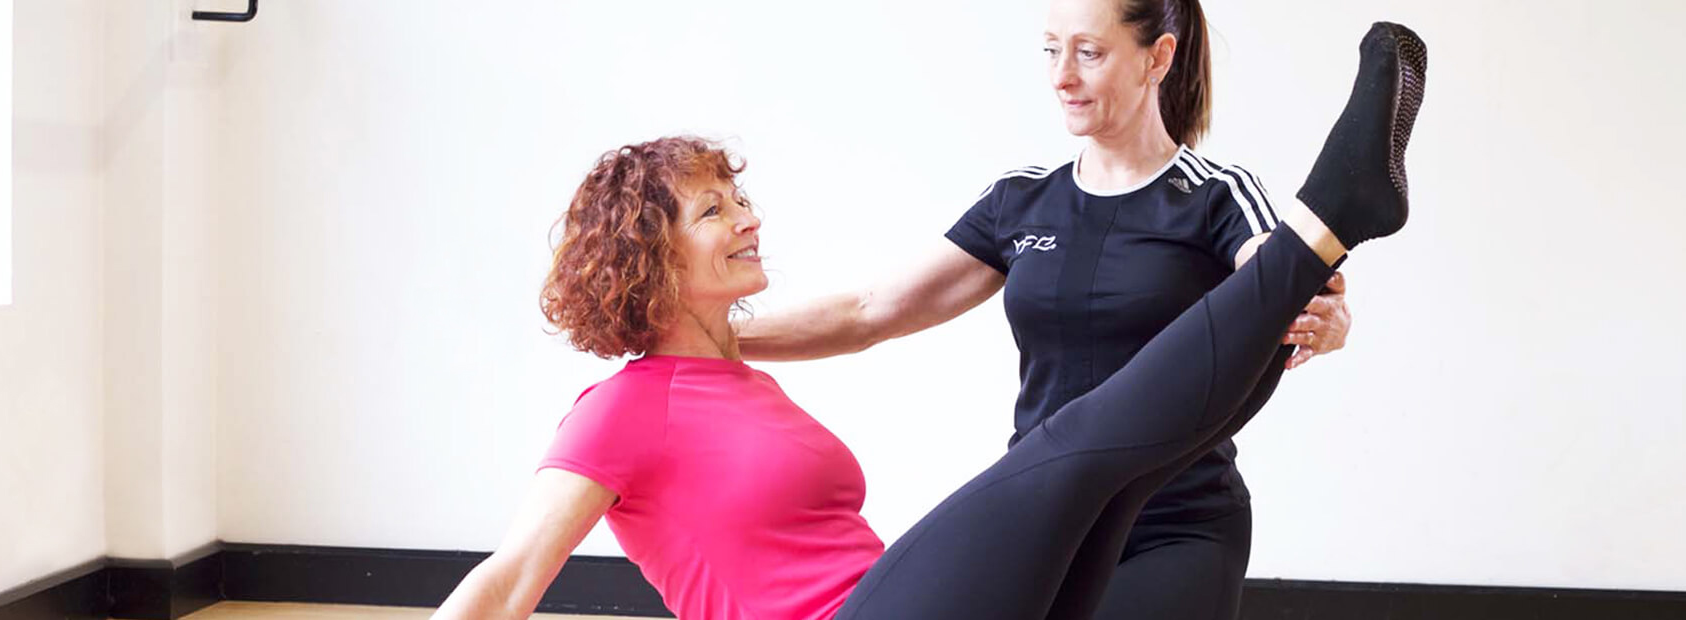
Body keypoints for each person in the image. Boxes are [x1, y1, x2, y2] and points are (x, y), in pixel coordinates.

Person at [432, 21, 1426, 620]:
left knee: (1121, 467)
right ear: (655, 254)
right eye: (715, 209)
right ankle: (1332, 213)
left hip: (899, 598)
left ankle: (1320, 235)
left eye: (739, 198)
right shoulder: (617, 408)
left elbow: (855, 318)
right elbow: (513, 572)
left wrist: (1301, 312)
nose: (749, 217)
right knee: (1078, 446)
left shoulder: (746, 379)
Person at [736, 1, 1352, 616]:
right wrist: (708, 334)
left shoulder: (1216, 196)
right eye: (1051, 49)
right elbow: (869, 311)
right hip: (1041, 517)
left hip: (1174, 523)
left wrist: (1325, 309)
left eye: (1089, 52)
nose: (1061, 76)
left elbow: (1273, 274)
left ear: (1157, 58)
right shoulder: (1023, 197)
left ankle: (1352, 195)